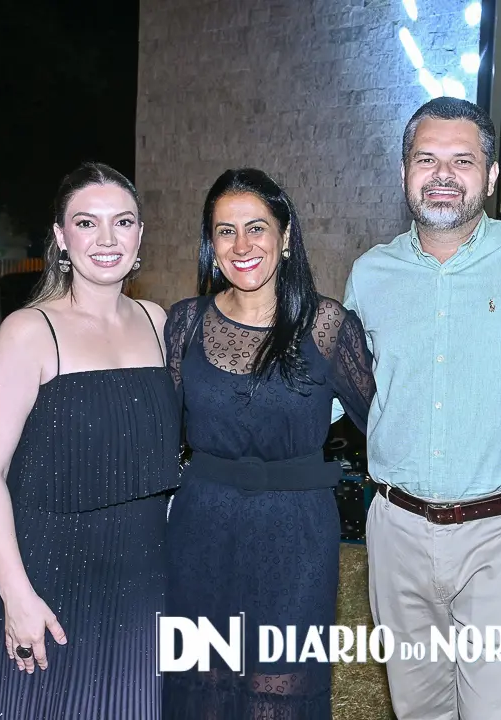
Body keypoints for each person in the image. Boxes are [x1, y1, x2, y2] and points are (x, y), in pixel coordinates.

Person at [344, 96, 501, 719]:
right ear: (403, 172)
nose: (442, 174)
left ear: (491, 176)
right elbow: (342, 391)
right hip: (396, 533)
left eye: (462, 161)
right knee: (418, 709)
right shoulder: (370, 273)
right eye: (426, 159)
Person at [161, 168, 376, 719]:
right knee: (201, 687)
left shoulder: (328, 325)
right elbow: (158, 435)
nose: (241, 245)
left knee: (278, 692)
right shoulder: (184, 323)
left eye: (256, 227)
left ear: (285, 236)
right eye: (225, 231)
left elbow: (383, 425)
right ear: (211, 245)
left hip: (296, 537)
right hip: (201, 530)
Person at [0, 162, 180, 719]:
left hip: (144, 570)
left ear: (140, 234)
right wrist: (16, 593)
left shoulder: (158, 323)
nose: (107, 239)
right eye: (87, 223)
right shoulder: (27, 332)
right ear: (61, 237)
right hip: (47, 573)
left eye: (122, 222)